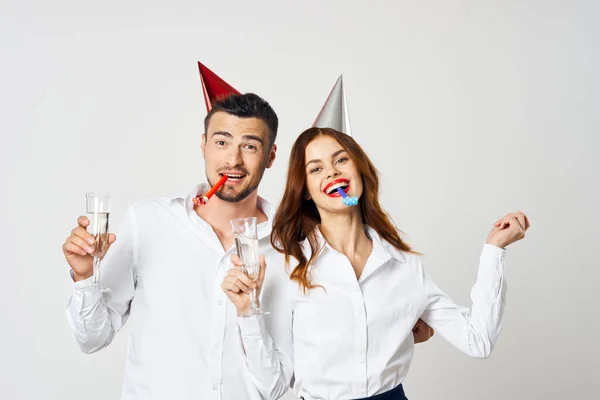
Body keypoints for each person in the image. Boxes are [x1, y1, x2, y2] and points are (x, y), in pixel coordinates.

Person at [62, 64, 435, 399]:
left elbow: (290, 372)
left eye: (250, 146)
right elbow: (92, 337)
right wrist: (83, 276)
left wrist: (393, 323)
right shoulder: (149, 222)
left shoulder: (295, 247)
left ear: (271, 157)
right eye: (222, 142)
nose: (233, 160)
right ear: (204, 145)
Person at [222, 126, 530, 400]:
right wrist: (247, 312)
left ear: (360, 171)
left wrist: (494, 249)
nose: (331, 172)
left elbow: (478, 341)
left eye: (340, 160)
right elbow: (272, 386)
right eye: (315, 169)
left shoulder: (405, 266)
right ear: (304, 191)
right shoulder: (288, 267)